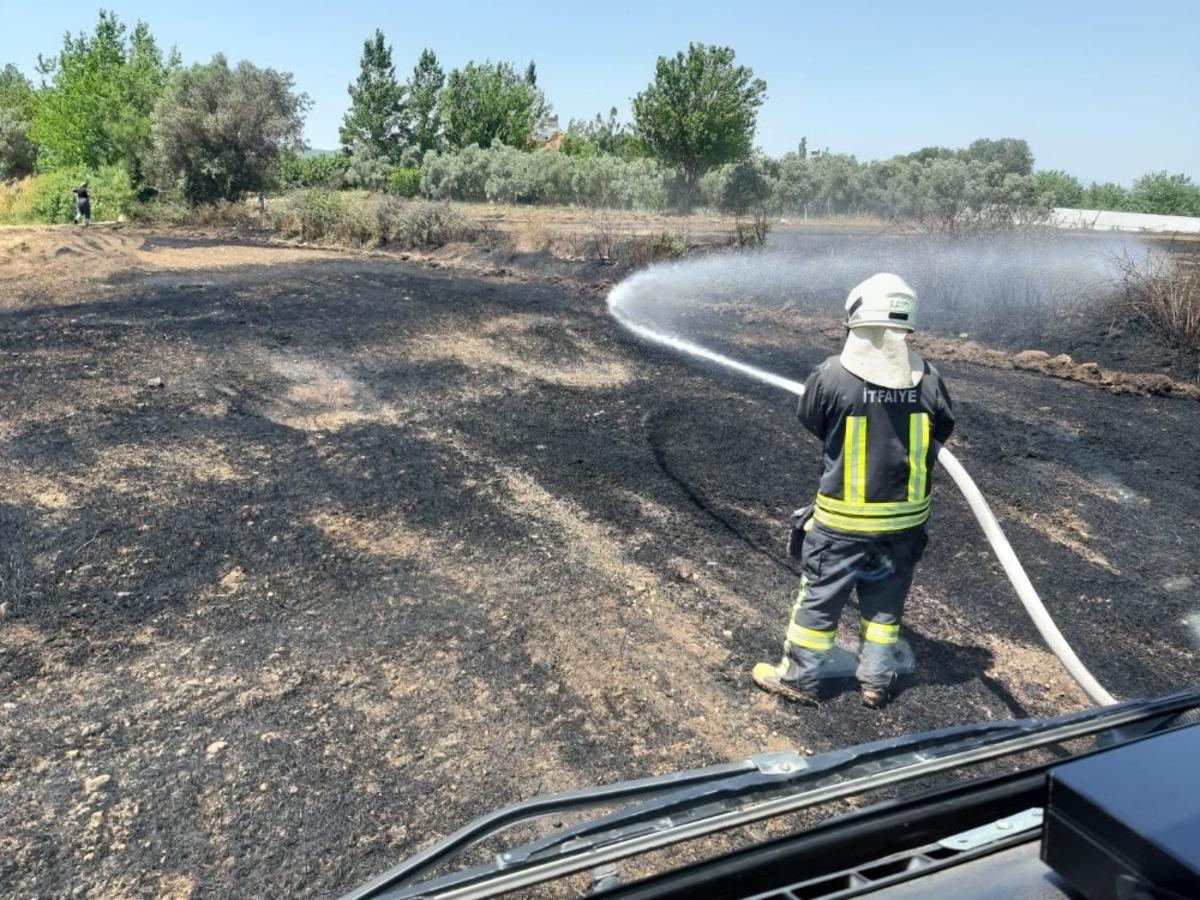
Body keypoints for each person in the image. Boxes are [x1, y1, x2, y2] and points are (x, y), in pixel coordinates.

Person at [752, 273, 955, 709]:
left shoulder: (832, 375)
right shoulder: (931, 379)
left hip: (843, 525)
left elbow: (813, 420)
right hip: (905, 527)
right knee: (885, 603)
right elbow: (945, 428)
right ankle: (876, 681)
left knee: (821, 601)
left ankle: (800, 679)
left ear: (855, 319)